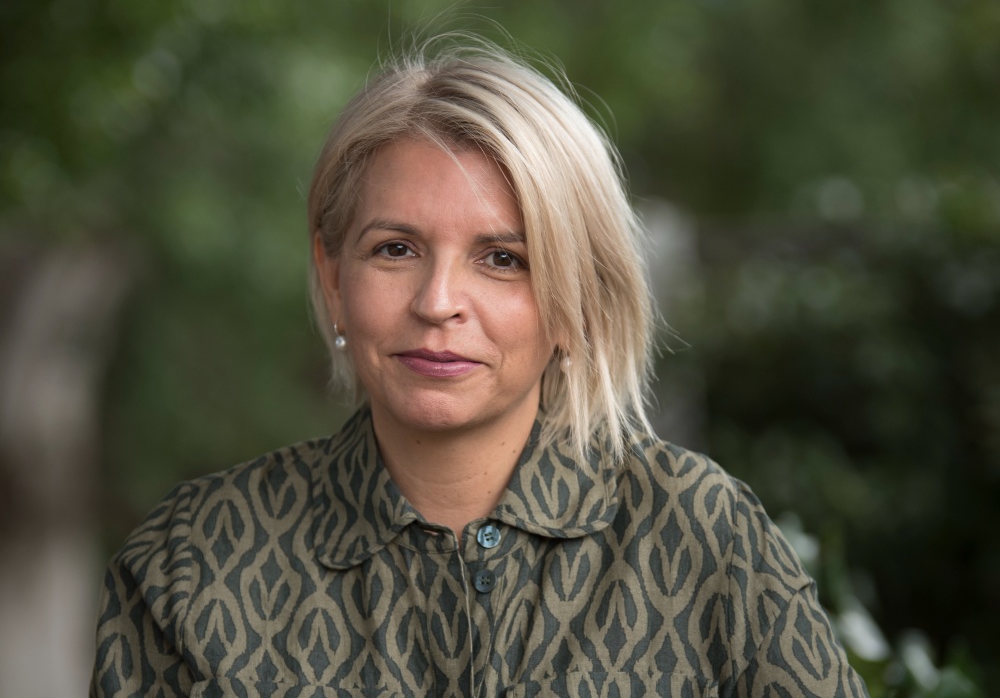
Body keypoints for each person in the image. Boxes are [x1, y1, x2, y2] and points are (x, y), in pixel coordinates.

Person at [91, 35, 868, 697]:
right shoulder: (193, 563)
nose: (437, 302)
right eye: (395, 250)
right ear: (333, 277)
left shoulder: (702, 537)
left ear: (576, 300)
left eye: (502, 259)